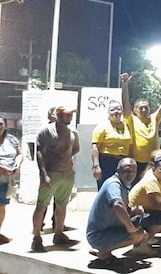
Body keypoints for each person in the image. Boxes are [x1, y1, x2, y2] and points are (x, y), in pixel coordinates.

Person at [32, 106, 80, 252]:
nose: (69, 117)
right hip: (51, 173)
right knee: (42, 205)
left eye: (71, 115)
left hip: (67, 174)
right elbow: (40, 153)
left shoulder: (73, 132)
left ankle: (58, 233)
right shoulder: (47, 131)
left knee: (62, 204)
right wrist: (44, 174)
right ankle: (36, 238)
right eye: (66, 115)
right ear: (58, 115)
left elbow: (75, 149)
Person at [86, 158, 148, 268]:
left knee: (144, 223)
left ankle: (135, 249)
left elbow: (122, 208)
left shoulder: (124, 185)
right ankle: (104, 252)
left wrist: (133, 210)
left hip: (110, 228)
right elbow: (118, 205)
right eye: (127, 171)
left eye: (133, 171)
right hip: (98, 235)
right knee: (137, 234)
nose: (131, 174)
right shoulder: (113, 184)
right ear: (118, 170)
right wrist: (130, 228)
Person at [121, 73, 161, 178]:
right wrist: (125, 85)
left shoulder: (154, 118)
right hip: (136, 162)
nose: (144, 110)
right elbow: (125, 103)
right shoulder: (131, 119)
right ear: (135, 110)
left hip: (153, 162)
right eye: (141, 108)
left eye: (146, 107)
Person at [91, 101, 133, 190]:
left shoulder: (127, 127)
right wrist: (96, 166)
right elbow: (95, 147)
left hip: (123, 163)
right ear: (108, 112)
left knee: (122, 189)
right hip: (106, 162)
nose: (116, 112)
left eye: (118, 109)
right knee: (105, 189)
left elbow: (130, 146)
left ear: (122, 111)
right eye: (112, 110)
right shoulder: (102, 126)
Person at [0, 115, 22, 244]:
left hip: (6, 180)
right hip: (3, 173)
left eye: (0, 124)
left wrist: (17, 164)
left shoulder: (12, 140)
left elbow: (19, 153)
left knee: (1, 206)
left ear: (5, 125)